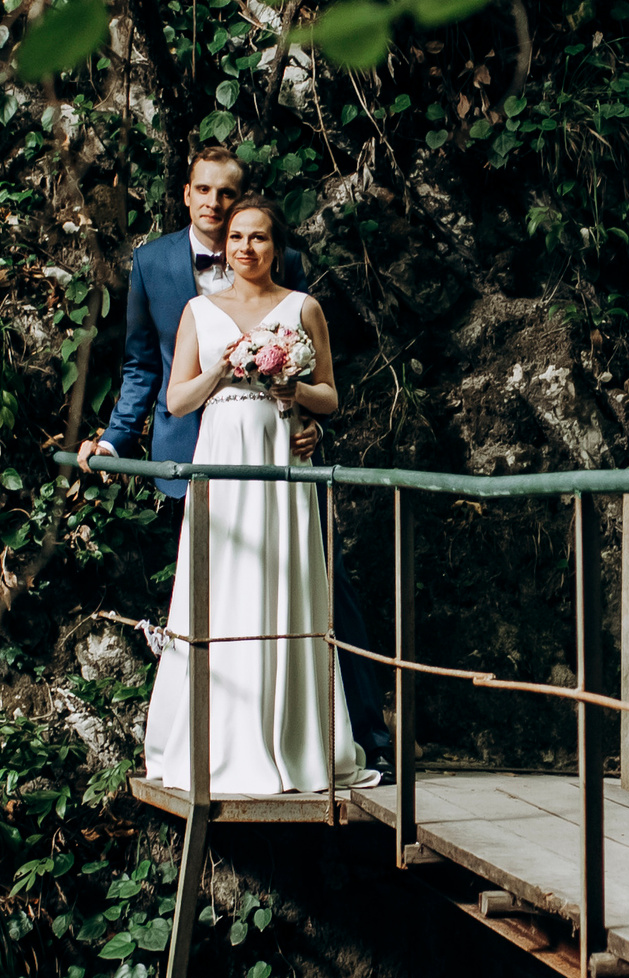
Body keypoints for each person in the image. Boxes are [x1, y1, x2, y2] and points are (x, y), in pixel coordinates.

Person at [76, 142, 395, 768]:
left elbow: (302, 357)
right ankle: (218, 738)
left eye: (228, 193)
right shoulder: (154, 263)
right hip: (194, 458)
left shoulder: (289, 270)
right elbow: (143, 367)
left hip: (278, 452)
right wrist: (113, 439)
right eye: (205, 191)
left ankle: (349, 738)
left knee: (315, 591)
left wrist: (308, 425)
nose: (215, 204)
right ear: (186, 193)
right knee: (213, 595)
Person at [137, 196, 374, 794]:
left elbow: (330, 396)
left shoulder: (303, 308)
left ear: (277, 246)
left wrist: (292, 387)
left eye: (260, 238)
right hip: (222, 457)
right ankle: (218, 738)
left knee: (286, 578)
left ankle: (295, 737)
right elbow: (177, 400)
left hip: (281, 454)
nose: (246, 247)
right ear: (225, 246)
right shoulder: (199, 310)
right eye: (237, 237)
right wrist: (222, 368)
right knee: (221, 582)